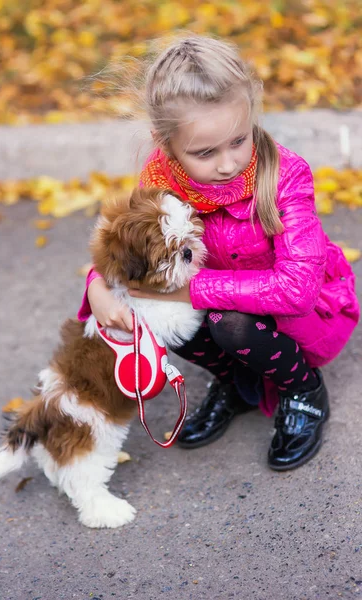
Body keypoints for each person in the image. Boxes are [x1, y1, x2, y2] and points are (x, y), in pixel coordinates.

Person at [78, 36, 359, 470]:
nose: (228, 164)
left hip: (297, 313)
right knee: (167, 316)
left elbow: (296, 291)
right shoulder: (159, 177)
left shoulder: (284, 177)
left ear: (251, 118)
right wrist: (97, 287)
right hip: (219, 301)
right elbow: (129, 243)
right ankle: (237, 381)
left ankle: (303, 390)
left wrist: (184, 294)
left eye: (238, 141)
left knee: (228, 324)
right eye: (205, 152)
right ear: (165, 142)